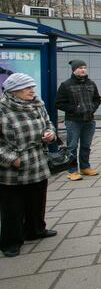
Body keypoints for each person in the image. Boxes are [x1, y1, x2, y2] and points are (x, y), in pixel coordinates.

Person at [0, 73, 57, 257]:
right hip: (13, 168)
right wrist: (11, 159)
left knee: (37, 200)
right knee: (12, 207)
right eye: (27, 88)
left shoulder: (37, 104)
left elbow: (49, 124)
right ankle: (11, 241)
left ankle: (36, 229)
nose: (32, 90)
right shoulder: (3, 109)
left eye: (32, 87)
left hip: (37, 161)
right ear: (14, 91)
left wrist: (50, 133)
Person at [55, 59, 101, 181]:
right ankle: (72, 170)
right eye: (80, 67)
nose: (83, 70)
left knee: (86, 145)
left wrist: (93, 108)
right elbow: (59, 103)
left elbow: (97, 99)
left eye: (84, 67)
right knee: (72, 146)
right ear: (74, 70)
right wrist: (75, 109)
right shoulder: (66, 85)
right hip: (73, 121)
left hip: (89, 120)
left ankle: (85, 167)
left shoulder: (91, 83)